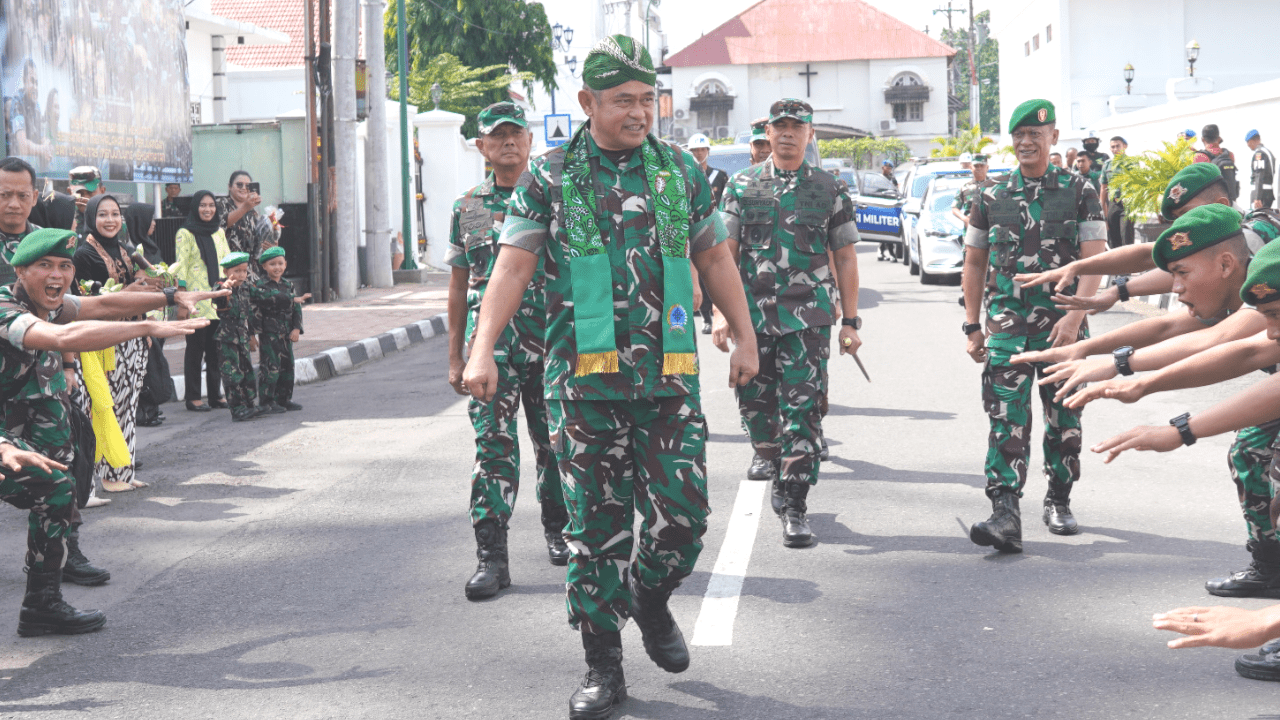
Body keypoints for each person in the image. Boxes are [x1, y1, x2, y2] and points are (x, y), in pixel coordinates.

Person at [461, 34, 757, 720]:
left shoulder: (680, 170)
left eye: (646, 99)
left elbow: (713, 259)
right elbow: (511, 266)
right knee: (596, 533)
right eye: (622, 101)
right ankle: (603, 667)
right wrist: (482, 350)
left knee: (684, 518)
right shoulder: (550, 176)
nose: (638, 112)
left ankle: (649, 597)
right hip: (584, 385)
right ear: (586, 101)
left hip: (668, 378)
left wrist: (744, 337)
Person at [0, 227, 223, 636]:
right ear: (20, 271)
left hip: (23, 432)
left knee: (59, 488)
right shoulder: (5, 308)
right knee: (56, 488)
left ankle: (42, 604)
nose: (57, 275)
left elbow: (102, 303)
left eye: (64, 266)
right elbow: (63, 337)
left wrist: (169, 297)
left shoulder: (49, 303)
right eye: (44, 266)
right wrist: (144, 328)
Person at [714, 97, 862, 548]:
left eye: (797, 126)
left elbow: (845, 256)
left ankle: (796, 504)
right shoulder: (741, 185)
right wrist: (721, 313)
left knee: (802, 412)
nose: (787, 133)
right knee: (756, 411)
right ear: (769, 132)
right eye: (780, 125)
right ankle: (774, 461)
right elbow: (724, 255)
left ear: (809, 133)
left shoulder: (828, 187)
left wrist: (851, 321)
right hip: (752, 318)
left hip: (808, 317)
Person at [960, 99, 1106, 553]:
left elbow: (1095, 255)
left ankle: (1059, 498)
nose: (1026, 142)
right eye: (1019, 135)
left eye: (1035, 135)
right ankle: (1005, 513)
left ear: (1053, 138)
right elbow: (975, 261)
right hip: (1006, 326)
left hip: (1064, 327)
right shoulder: (990, 196)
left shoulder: (1079, 189)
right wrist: (971, 326)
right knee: (1006, 417)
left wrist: (1075, 317)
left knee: (1064, 419)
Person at [444, 102, 569, 600]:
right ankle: (491, 558)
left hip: (552, 342)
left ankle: (559, 530)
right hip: (491, 351)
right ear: (482, 147)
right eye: (497, 137)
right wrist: (457, 356)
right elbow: (458, 289)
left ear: (531, 140)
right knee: (493, 449)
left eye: (517, 134)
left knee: (555, 445)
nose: (509, 143)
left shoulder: (558, 199)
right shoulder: (466, 207)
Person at [72, 195, 151, 493]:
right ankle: (106, 475)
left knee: (129, 405)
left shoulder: (127, 250)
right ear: (92, 217)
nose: (110, 220)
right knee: (107, 406)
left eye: (115, 214)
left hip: (133, 337)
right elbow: (88, 301)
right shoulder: (83, 255)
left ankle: (123, 471)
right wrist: (129, 292)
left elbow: (145, 287)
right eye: (102, 214)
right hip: (105, 341)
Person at [173, 190, 229, 412]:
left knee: (216, 351)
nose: (207, 209)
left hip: (217, 301)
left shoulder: (219, 232)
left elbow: (227, 261)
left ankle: (216, 395)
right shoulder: (185, 233)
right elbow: (181, 266)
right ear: (195, 207)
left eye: (211, 205)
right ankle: (194, 397)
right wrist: (182, 302)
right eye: (203, 205)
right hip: (195, 303)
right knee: (195, 351)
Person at [249, 247, 306, 413]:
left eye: (280, 263)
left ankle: (285, 399)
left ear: (285, 264)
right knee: (270, 367)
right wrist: (253, 334)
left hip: (287, 333)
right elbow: (255, 312)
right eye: (272, 264)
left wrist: (296, 328)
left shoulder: (289, 285)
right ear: (264, 267)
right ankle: (267, 401)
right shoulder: (260, 286)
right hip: (269, 333)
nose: (277, 267)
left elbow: (297, 308)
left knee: (288, 367)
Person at [212, 252, 264, 422]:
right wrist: (224, 287)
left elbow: (251, 311)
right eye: (237, 271)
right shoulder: (221, 286)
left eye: (244, 270)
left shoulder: (246, 288)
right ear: (226, 271)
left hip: (242, 337)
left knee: (247, 372)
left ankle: (249, 404)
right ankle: (237, 408)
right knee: (231, 374)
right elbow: (215, 295)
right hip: (227, 339)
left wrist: (251, 336)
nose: (242, 274)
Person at [687, 133, 727, 333]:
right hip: (696, 230)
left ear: (708, 151)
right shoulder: (686, 175)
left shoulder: (719, 176)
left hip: (717, 231)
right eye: (695, 150)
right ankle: (705, 319)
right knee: (699, 277)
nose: (699, 153)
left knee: (717, 273)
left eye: (702, 150)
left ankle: (720, 313)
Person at [217, 171, 271, 278]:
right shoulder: (220, 204)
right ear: (230, 186)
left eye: (247, 186)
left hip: (250, 271)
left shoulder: (253, 212)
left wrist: (270, 245)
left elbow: (257, 246)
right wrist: (245, 207)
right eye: (239, 184)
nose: (243, 188)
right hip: (229, 269)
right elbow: (220, 225)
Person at [1099, 136, 1135, 248]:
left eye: (1117, 146)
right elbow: (1103, 187)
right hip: (1113, 204)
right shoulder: (1107, 164)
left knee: (1126, 237)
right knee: (1113, 238)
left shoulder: (1132, 163)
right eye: (1112, 147)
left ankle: (1129, 263)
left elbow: (1137, 184)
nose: (1115, 149)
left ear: (1125, 146)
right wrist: (1102, 207)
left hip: (1127, 204)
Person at [1194, 124, 1239, 205]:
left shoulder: (1200, 157)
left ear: (1202, 139)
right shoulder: (1229, 155)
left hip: (1212, 204)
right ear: (1218, 138)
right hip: (1231, 202)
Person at [951, 154, 994, 227]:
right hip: (971, 229)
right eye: (976, 166)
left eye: (982, 166)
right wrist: (964, 219)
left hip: (991, 229)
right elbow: (955, 208)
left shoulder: (995, 185)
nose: (979, 168)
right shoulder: (965, 187)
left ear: (987, 167)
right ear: (971, 167)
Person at [68, 166, 108, 240]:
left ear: (102, 191)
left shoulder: (113, 221)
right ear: (70, 192)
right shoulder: (65, 223)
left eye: (90, 193)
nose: (85, 198)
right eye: (79, 192)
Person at [1248, 129, 1276, 211]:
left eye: (1248, 142)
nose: (1248, 145)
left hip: (1261, 194)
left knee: (1256, 220)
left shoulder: (1259, 154)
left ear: (1253, 141)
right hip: (1267, 193)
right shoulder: (1267, 152)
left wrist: (1257, 197)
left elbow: (1259, 174)